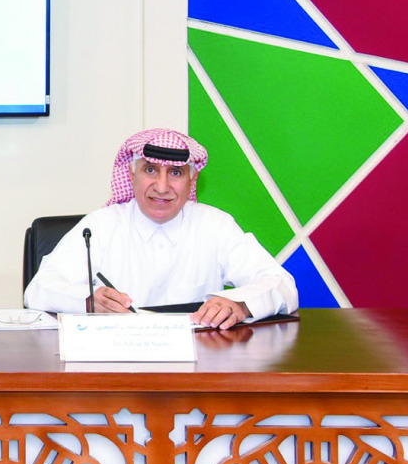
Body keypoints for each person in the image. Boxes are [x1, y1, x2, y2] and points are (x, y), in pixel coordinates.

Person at [24, 128, 297, 329]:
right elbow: (38, 290)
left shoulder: (215, 225)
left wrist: (240, 304)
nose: (162, 187)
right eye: (151, 170)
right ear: (131, 174)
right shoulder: (100, 225)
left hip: (198, 371)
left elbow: (283, 284)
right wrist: (87, 300)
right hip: (115, 369)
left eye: (176, 173)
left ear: (192, 179)